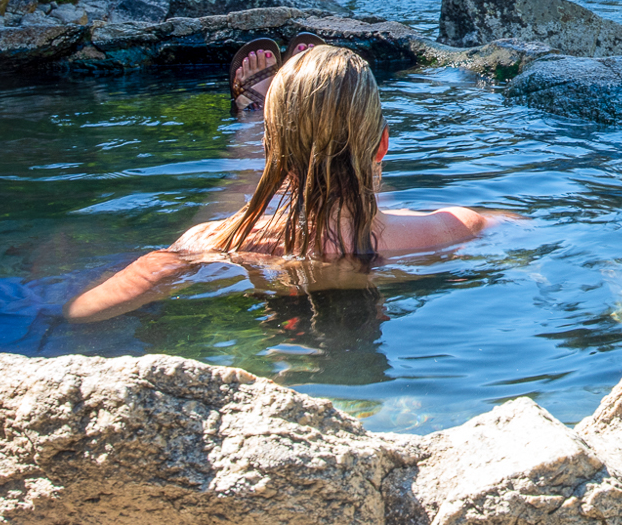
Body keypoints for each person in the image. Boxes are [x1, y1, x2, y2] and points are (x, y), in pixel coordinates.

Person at [67, 44, 499, 322]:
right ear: (384, 144)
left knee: (247, 194)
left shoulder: (215, 242)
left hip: (275, 321)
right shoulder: (453, 228)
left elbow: (82, 312)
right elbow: (524, 232)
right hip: (384, 243)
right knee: (362, 191)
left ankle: (253, 125)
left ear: (270, 152)